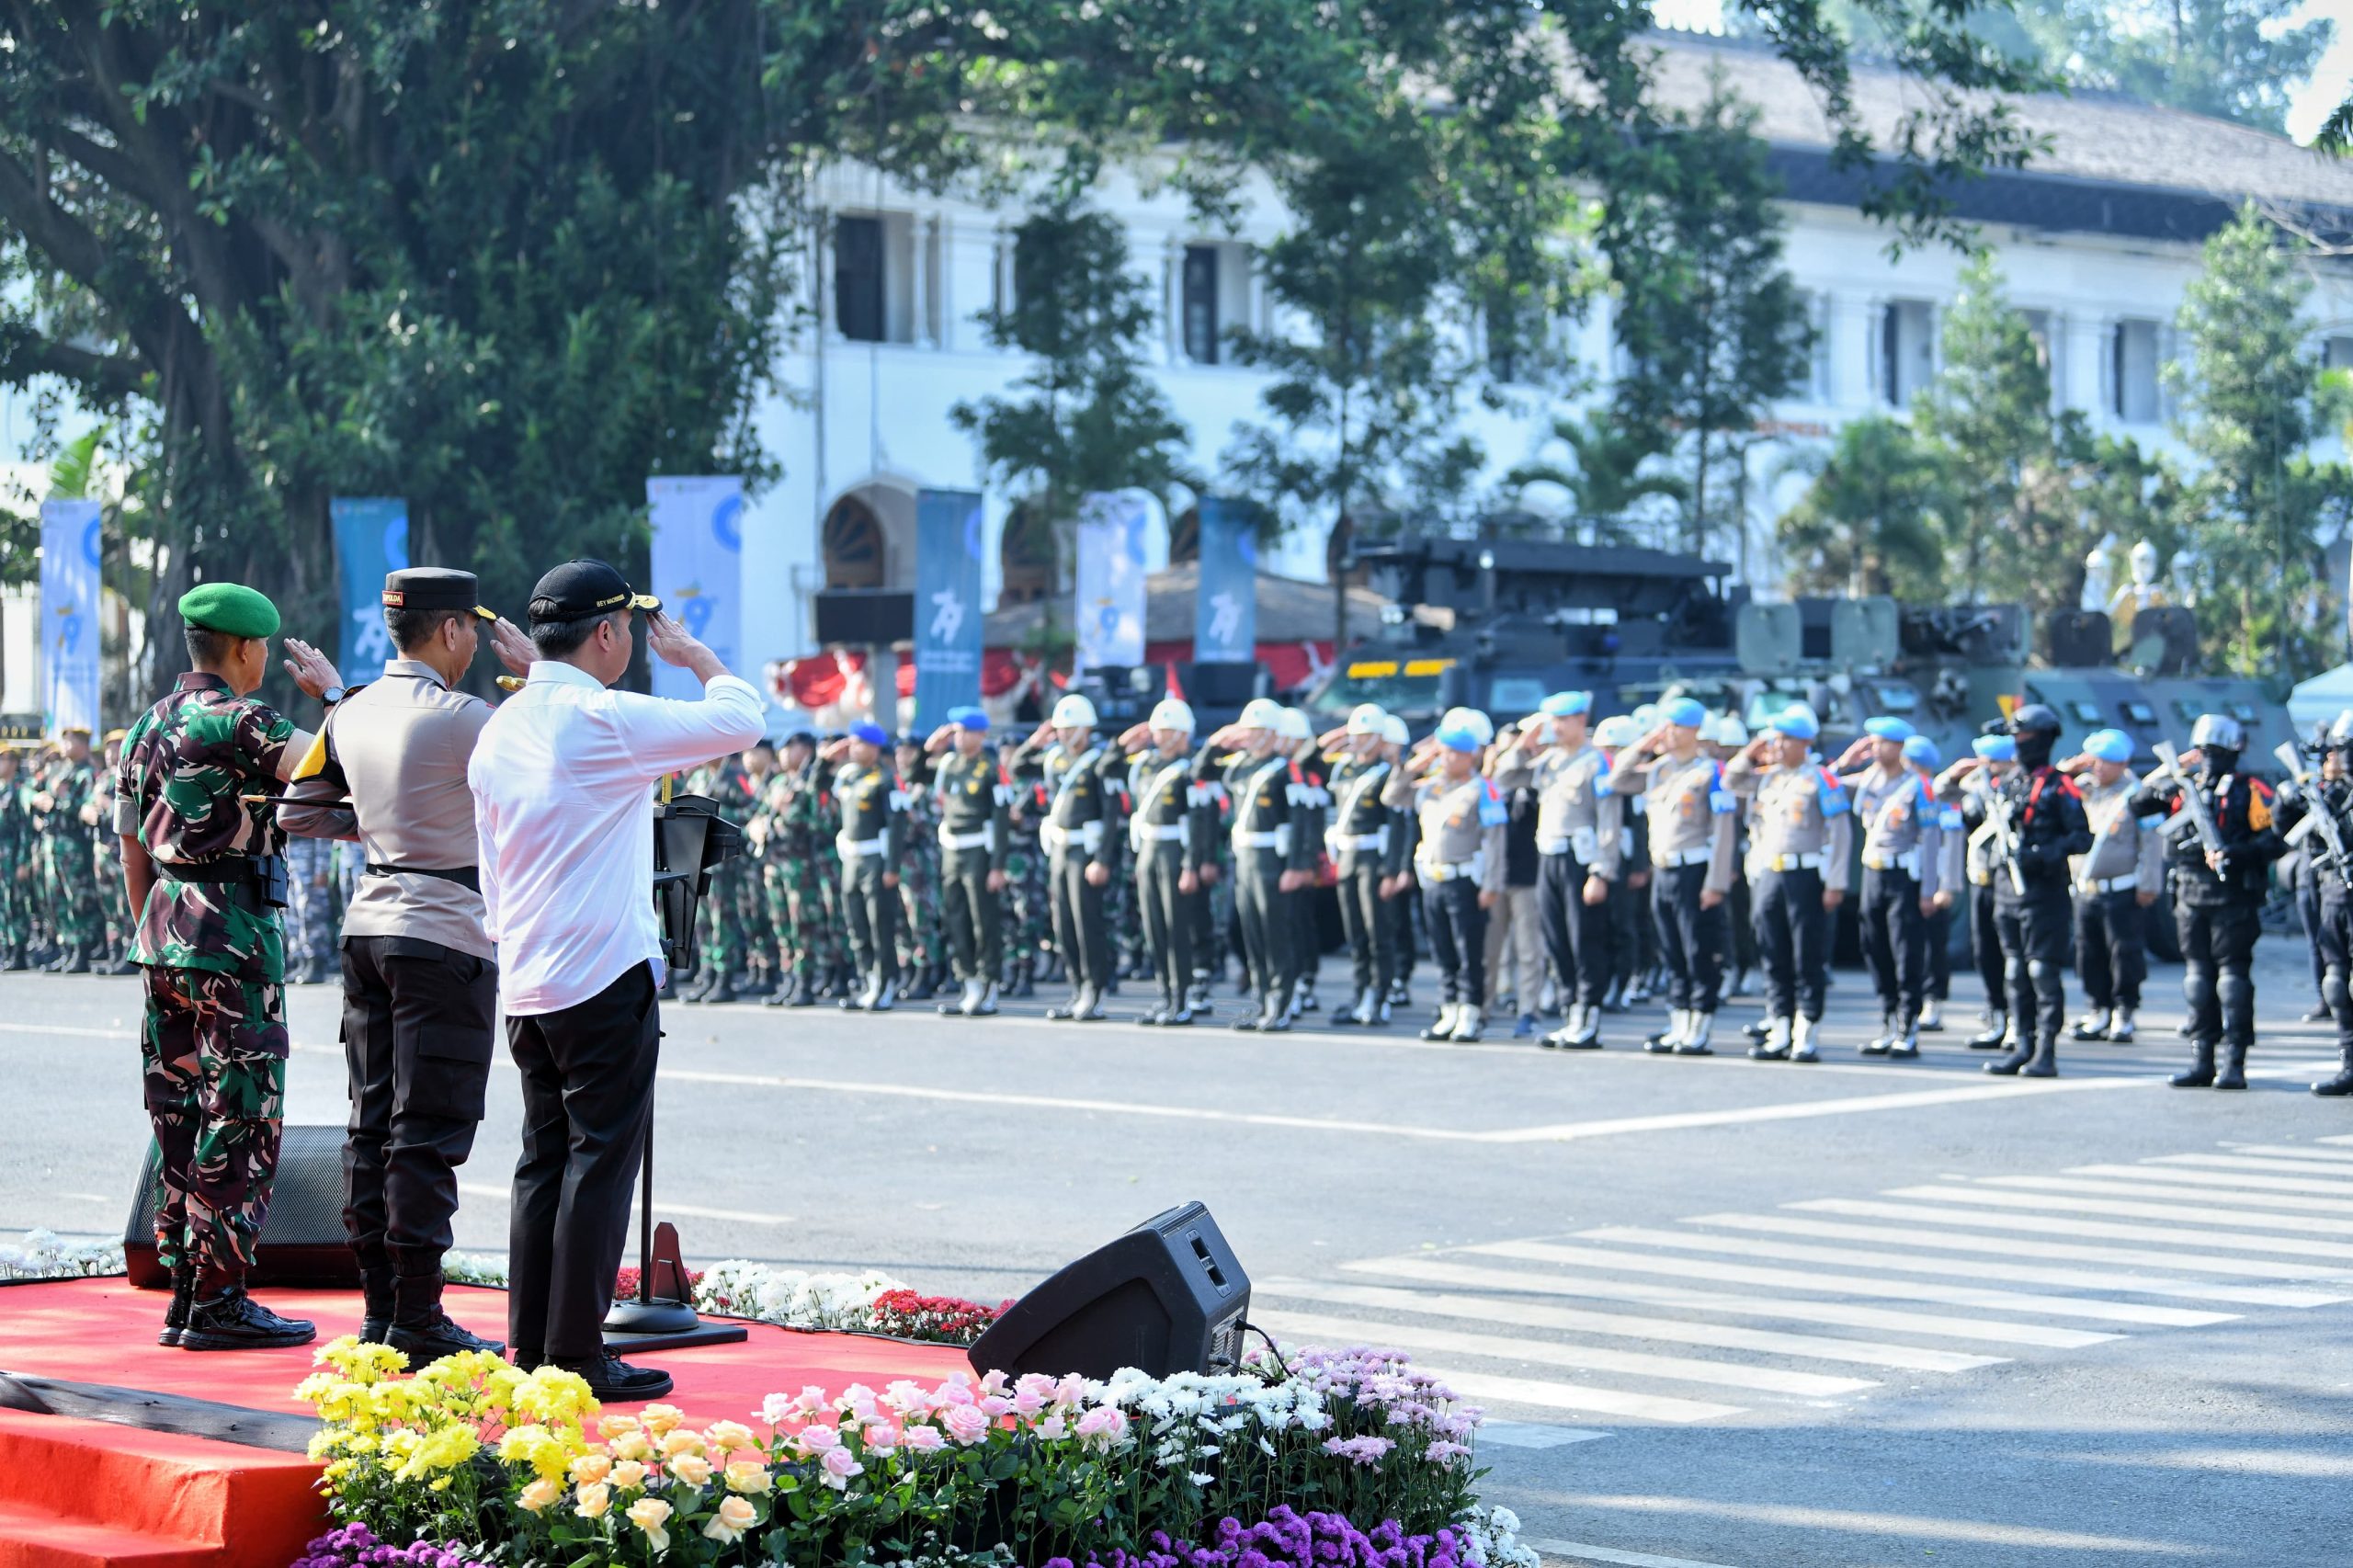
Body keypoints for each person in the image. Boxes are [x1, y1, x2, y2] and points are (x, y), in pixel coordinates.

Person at [468, 558, 764, 1398]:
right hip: (601, 969)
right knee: (600, 1165)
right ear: (605, 633)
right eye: (629, 628)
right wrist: (701, 659)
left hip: (525, 973)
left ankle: (530, 1346)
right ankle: (574, 1356)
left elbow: (490, 865)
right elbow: (741, 719)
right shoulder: (603, 719)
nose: (633, 642)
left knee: (542, 1161)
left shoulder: (503, 726)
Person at [279, 566, 529, 1359]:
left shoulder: (352, 712)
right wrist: (532, 678)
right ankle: (419, 1318)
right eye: (471, 632)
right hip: (444, 931)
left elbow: (301, 810)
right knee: (427, 1129)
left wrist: (387, 831)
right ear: (453, 629)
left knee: (372, 1123)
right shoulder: (468, 717)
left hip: (368, 928)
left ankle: (381, 1311)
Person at [116, 582, 341, 1351]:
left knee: (178, 1113)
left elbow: (131, 848)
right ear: (244, 650)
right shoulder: (242, 718)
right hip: (233, 940)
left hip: (164, 936)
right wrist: (335, 699)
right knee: (241, 1113)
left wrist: (152, 931)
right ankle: (218, 1299)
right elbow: (325, 766)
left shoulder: (144, 727)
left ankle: (184, 1288)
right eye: (264, 652)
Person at [2131, 713, 2280, 1091]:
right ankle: (2210, 1060)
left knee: (2222, 979)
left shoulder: (2244, 790)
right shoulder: (2186, 787)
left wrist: (2233, 853)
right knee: (2208, 979)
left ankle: (2226, 1062)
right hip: (2198, 894)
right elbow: (2138, 804)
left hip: (2224, 895)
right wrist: (2169, 774)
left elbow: (2275, 839)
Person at [1944, 703, 2089, 1078]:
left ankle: (2046, 1051)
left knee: (2042, 971)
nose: (2020, 744)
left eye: (2026, 737)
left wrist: (2041, 854)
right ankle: (2021, 1045)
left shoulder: (2060, 786)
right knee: (2014, 971)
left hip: (2044, 891)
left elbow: (2081, 838)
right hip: (2006, 889)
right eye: (2017, 737)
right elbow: (1969, 816)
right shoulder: (2005, 785)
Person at [1609, 698, 1738, 1056]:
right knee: (1671, 949)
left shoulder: (1712, 772)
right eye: (1664, 725)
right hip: (1663, 868)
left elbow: (1724, 830)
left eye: (1675, 726)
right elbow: (1617, 778)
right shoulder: (1658, 770)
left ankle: (1700, 1023)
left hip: (1695, 870)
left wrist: (1715, 882)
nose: (1667, 732)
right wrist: (1642, 746)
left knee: (1698, 948)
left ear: (1695, 731)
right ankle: (1679, 1018)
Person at [1490, 692, 1619, 1051]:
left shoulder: (1597, 763)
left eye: (1562, 720)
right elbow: (1505, 776)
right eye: (1551, 721)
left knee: (1584, 939)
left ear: (1580, 720)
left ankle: (1587, 1017)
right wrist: (1525, 741)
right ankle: (1568, 1012)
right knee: (1557, 939)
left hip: (1581, 860)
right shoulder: (1549, 761)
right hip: (1548, 856)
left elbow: (1609, 821)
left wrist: (1601, 871)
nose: (1555, 728)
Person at [1727, 706, 1850, 1063]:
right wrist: (1750, 751)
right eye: (1774, 738)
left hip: (1806, 875)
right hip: (1769, 873)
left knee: (1806, 954)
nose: (1777, 746)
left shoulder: (1820, 780)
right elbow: (1731, 781)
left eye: (1785, 739)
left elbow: (1839, 832)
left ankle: (1805, 1032)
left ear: (1806, 742)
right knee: (1772, 950)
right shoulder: (1768, 777)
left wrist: (1836, 882)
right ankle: (1779, 1027)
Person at [1386, 713, 1507, 1041]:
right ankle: (1449, 1008)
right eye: (1443, 750)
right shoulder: (1432, 787)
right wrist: (1413, 765)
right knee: (1442, 950)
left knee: (1469, 950)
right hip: (1433, 879)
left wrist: (1492, 884)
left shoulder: (1483, 788)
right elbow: (1393, 796)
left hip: (1465, 879)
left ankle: (1471, 1012)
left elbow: (1495, 841)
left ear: (1470, 755)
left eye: (1453, 752)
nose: (1446, 757)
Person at [1833, 716, 1944, 1058]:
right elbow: (1822, 783)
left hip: (1903, 877)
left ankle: (1907, 1024)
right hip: (1873, 873)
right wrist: (1844, 762)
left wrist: (1929, 889)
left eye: (1883, 743)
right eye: (1873, 742)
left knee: (1905, 950)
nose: (1876, 749)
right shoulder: (1867, 779)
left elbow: (1930, 839)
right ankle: (1887, 1017)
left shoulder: (1918, 787)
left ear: (1899, 747)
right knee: (1874, 945)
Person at [1207, 698, 1316, 1031]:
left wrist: (1297, 866)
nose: (1251, 737)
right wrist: (1216, 743)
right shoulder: (1240, 766)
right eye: (1248, 731)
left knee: (1276, 935)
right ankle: (1260, 1000)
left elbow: (1301, 823)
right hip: (1245, 860)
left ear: (1273, 734)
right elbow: (1201, 772)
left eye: (1258, 731)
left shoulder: (1287, 770)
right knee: (1252, 933)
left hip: (1273, 860)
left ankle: (1280, 1003)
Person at [1015, 693, 1126, 1021]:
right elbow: (1018, 766)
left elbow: (1110, 814)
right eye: (1060, 728)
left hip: (1085, 851)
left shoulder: (1099, 761)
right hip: (1060, 849)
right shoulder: (1055, 759)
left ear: (1086, 728)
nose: (1063, 734)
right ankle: (1077, 987)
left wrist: (1102, 860)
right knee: (1062, 923)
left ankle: (1095, 990)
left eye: (1070, 727)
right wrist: (1035, 742)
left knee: (1086, 923)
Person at [1112, 699, 1213, 1025]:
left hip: (1174, 850)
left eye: (1168, 730)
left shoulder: (1191, 769)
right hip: (1149, 850)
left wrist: (1191, 865)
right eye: (1158, 729)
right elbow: (1105, 767)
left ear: (1183, 734)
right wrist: (1123, 743)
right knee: (1154, 928)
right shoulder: (1144, 765)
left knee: (1175, 928)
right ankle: (1165, 996)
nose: (1160, 735)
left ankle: (1181, 998)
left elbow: (1198, 821)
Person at [2060, 729, 2164, 1045]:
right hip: (2086, 888)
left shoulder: (2137, 794)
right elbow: (2050, 784)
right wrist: (2070, 768)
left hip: (2122, 889)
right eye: (2097, 760)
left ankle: (2124, 1011)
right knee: (2088, 953)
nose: (2100, 767)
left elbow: (2151, 843)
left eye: (2109, 761)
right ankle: (2097, 1010)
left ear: (2124, 763)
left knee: (2124, 953)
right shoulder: (2082, 789)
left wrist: (2149, 884)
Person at [921, 707, 1012, 1017]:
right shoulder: (949, 764)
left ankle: (989, 985)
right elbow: (911, 774)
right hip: (952, 851)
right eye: (955, 731)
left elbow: (1001, 817)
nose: (957, 737)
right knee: (956, 918)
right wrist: (931, 747)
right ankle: (968, 981)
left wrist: (998, 865)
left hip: (979, 851)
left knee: (982, 921)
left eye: (964, 731)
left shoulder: (990, 768)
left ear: (981, 735)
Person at [1322, 704, 1404, 1028]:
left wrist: (1391, 870)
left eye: (1365, 735)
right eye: (1354, 734)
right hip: (1347, 857)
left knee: (1377, 932)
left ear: (1380, 739)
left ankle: (1380, 996)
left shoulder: (1387, 774)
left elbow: (1397, 827)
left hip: (1374, 858)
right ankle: (1360, 995)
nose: (1357, 741)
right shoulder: (1343, 769)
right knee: (1355, 932)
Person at [1939, 733, 2018, 1051]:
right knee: (1985, 952)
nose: (1988, 768)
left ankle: (2017, 1019)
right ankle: (1996, 1015)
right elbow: (1941, 792)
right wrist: (1955, 773)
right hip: (1982, 879)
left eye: (1994, 762)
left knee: (2013, 954)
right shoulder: (1976, 785)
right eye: (1985, 762)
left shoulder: (2017, 785)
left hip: (2010, 882)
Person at [822, 720, 907, 1011]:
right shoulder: (846, 776)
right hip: (852, 859)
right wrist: (825, 761)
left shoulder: (885, 779)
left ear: (873, 747)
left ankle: (885, 983)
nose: (852, 748)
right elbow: (816, 788)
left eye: (859, 743)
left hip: (875, 858)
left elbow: (897, 825)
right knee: (856, 923)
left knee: (878, 924)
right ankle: (868, 979)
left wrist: (892, 867)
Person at [2298, 713, 2353, 1096]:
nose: (2340, 756)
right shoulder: (2330, 791)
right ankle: (2349, 1063)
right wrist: (2292, 800)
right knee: (2336, 981)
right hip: (2336, 893)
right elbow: (2286, 833)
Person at [1483, 720, 1546, 1037]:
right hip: (1495, 877)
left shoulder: (1536, 780)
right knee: (1490, 948)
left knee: (1528, 949)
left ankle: (1529, 1009)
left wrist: (1525, 752)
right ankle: (1481, 1006)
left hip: (1528, 876)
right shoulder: (1490, 786)